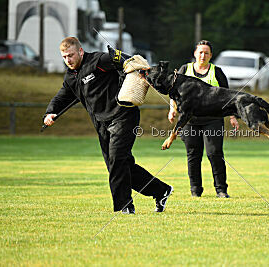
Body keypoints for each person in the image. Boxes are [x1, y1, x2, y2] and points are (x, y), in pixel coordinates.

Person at [43, 37, 173, 214]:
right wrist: (51, 111)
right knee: (120, 165)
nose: (68, 60)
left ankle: (124, 207)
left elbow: (126, 60)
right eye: (64, 57)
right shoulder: (71, 77)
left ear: (80, 51)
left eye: (71, 55)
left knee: (117, 161)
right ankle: (161, 190)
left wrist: (134, 66)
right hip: (102, 124)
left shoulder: (99, 60)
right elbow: (63, 96)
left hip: (124, 116)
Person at [168, 40, 239, 198]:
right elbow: (173, 92)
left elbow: (228, 96)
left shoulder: (217, 72)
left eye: (206, 53)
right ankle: (195, 190)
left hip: (213, 119)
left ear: (211, 55)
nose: (203, 55)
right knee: (193, 155)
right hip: (189, 121)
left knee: (214, 153)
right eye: (200, 52)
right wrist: (172, 109)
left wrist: (233, 116)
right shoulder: (185, 69)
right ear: (195, 54)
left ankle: (221, 190)